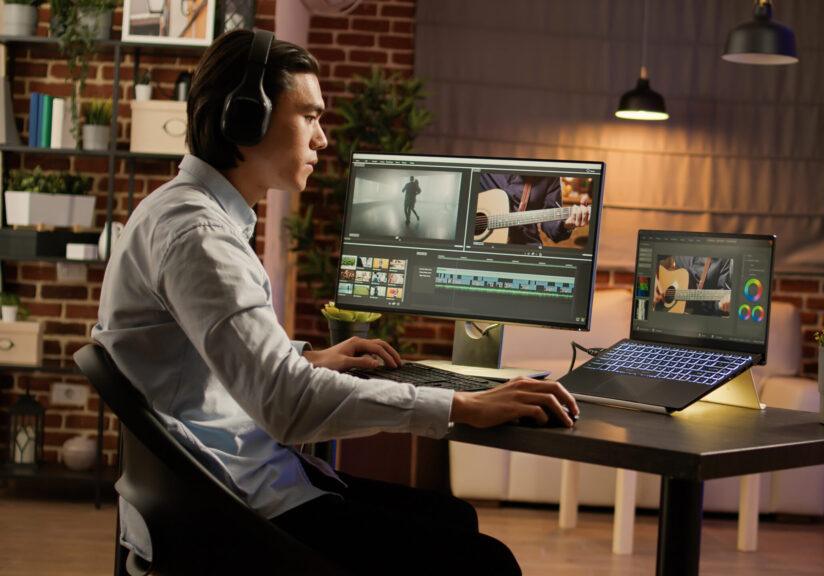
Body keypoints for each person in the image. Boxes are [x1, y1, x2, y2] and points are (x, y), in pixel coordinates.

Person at [93, 30, 577, 576]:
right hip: (232, 508)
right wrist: (458, 407)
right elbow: (288, 406)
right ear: (244, 119)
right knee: (485, 562)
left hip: (222, 482)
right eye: (310, 116)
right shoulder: (199, 236)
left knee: (453, 518)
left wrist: (303, 357)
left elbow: (213, 355)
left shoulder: (183, 212)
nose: (323, 139)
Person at [478, 173, 590, 246]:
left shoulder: (550, 175)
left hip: (526, 247)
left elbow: (550, 224)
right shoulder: (482, 169)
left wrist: (566, 224)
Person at [653, 255, 732, 316]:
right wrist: (654, 280)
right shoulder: (680, 239)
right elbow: (650, 253)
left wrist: (720, 305)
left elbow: (719, 302)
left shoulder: (723, 259)